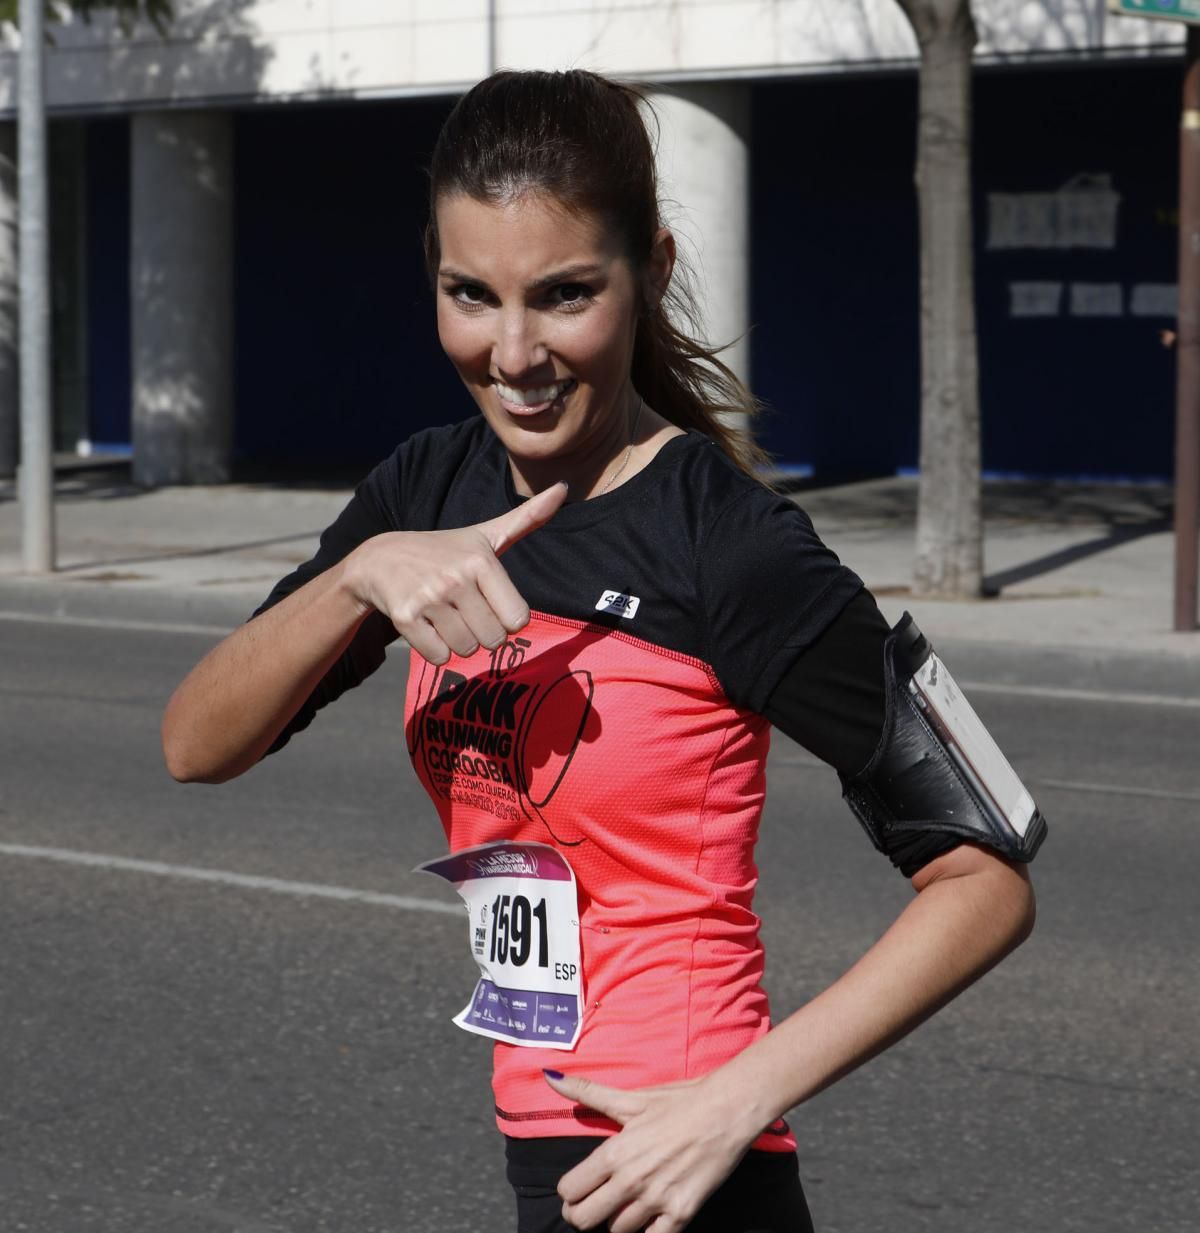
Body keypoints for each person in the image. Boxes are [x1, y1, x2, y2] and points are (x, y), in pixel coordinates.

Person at [162, 69, 1038, 1233]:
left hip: (678, 1171)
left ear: (652, 274)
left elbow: (986, 875)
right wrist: (357, 576)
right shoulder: (424, 488)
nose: (514, 355)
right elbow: (195, 745)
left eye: (565, 295)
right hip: (542, 1147)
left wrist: (736, 1101)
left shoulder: (730, 548)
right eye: (470, 294)